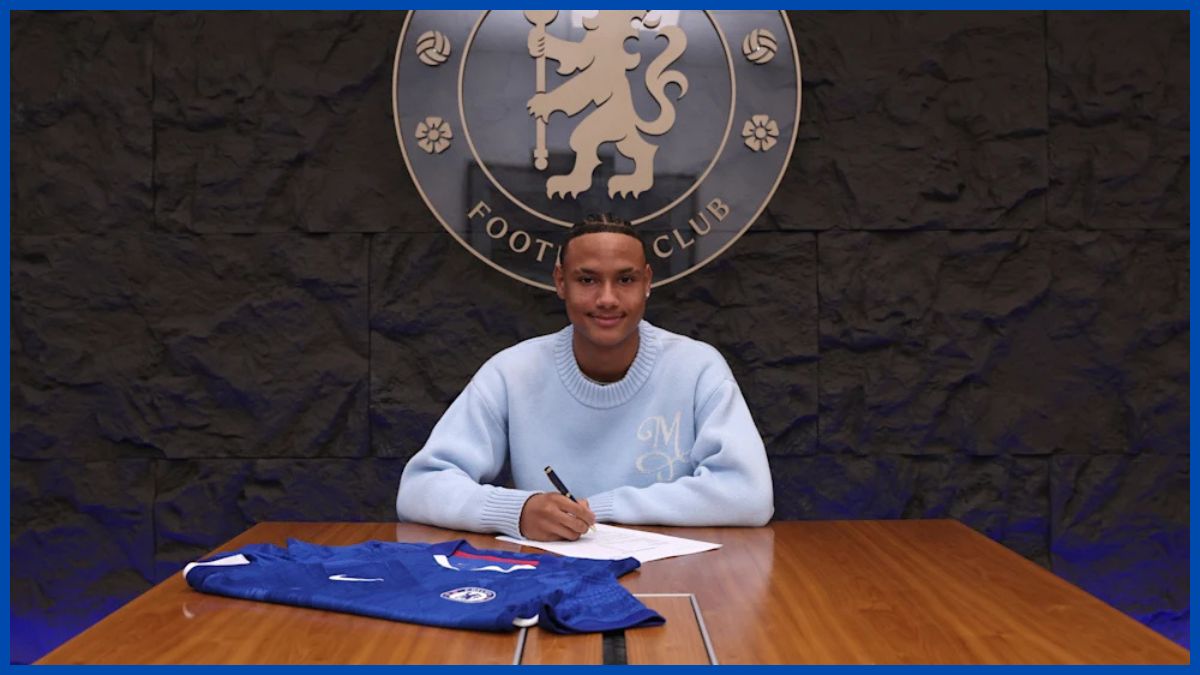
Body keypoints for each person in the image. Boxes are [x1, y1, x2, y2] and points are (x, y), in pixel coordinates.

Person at [395, 214, 773, 541]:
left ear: (647, 282)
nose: (607, 298)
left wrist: (602, 507)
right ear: (561, 282)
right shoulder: (511, 372)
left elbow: (748, 495)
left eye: (625, 280)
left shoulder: (698, 368)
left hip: (675, 577)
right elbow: (418, 488)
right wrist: (518, 510)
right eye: (587, 280)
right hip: (550, 578)